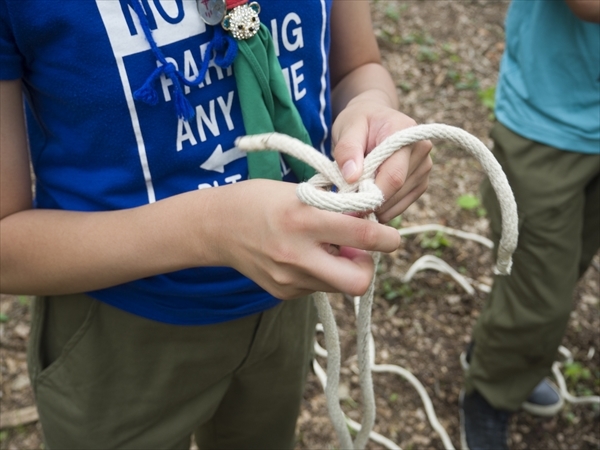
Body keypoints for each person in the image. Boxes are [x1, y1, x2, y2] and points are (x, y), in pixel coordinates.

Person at [0, 0, 432, 448]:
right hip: (120, 331)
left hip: (287, 308)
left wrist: (373, 110)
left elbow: (356, 67)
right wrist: (208, 229)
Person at [460, 0, 600, 448]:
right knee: (540, 294)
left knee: (567, 262)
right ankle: (489, 394)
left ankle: (495, 355)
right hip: (548, 120)